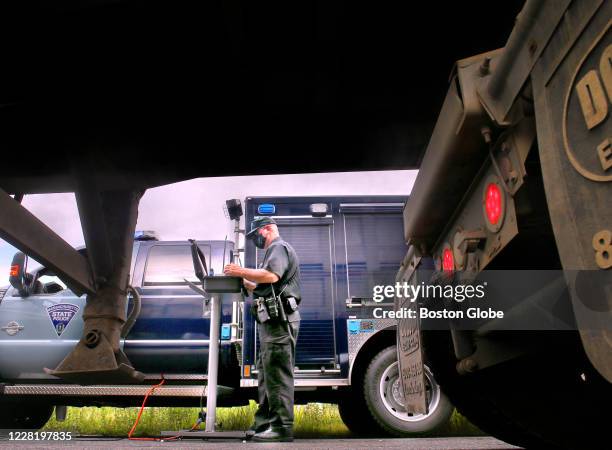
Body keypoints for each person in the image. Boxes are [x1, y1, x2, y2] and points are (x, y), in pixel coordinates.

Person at [223, 216, 301, 443]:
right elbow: (263, 284)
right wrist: (246, 281)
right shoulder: (274, 251)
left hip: (280, 322)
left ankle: (282, 427)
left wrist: (240, 271)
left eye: (256, 234)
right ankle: (265, 424)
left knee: (277, 375)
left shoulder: (278, 247)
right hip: (272, 323)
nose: (255, 239)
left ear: (266, 229)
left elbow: (271, 276)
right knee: (267, 374)